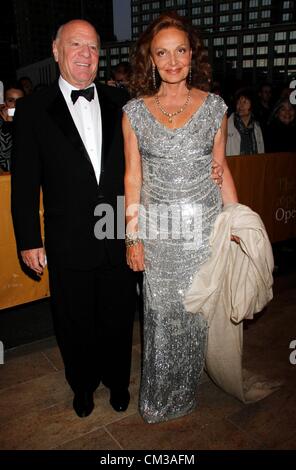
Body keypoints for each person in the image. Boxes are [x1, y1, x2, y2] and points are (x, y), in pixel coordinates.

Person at [11, 20, 136, 418]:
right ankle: (81, 386)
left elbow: (144, 167)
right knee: (73, 320)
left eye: (94, 47)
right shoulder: (33, 109)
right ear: (56, 50)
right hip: (66, 238)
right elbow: (25, 182)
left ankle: (118, 381)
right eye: (76, 45)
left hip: (117, 229)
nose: (86, 54)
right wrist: (29, 239)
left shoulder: (123, 103)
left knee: (118, 316)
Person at [122, 12, 238, 423]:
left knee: (195, 316)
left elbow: (221, 169)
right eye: (162, 53)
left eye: (181, 51)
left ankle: (187, 391)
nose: (172, 61)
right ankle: (158, 398)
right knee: (159, 316)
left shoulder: (215, 108)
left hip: (203, 232)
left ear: (192, 55)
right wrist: (132, 237)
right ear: (151, 60)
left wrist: (235, 223)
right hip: (158, 234)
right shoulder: (134, 112)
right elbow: (132, 177)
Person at [226, 88, 265, 156]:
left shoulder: (257, 126)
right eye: (238, 102)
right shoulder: (227, 125)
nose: (240, 106)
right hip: (235, 164)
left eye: (244, 102)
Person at [0, 84, 24, 172]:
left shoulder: (31, 121)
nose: (15, 104)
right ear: (4, 103)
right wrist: (8, 125)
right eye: (11, 100)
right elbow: (5, 154)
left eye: (20, 100)